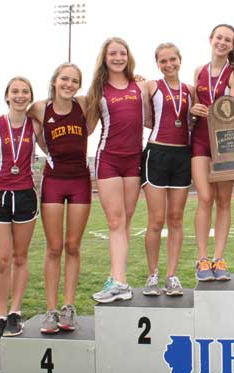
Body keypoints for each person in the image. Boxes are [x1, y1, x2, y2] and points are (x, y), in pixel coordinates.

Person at [86, 37, 151, 303]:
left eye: (122, 53)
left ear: (128, 56)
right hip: (109, 160)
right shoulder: (97, 90)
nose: (117, 57)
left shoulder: (141, 86)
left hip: (134, 160)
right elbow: (87, 128)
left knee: (124, 223)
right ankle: (120, 282)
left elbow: (151, 120)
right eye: (112, 53)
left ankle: (117, 279)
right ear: (104, 57)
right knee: (115, 221)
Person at [29, 63, 92, 332]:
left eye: (74, 80)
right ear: (54, 81)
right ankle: (51, 310)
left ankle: (68, 307)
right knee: (54, 247)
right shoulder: (41, 108)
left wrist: (134, 79)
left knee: (73, 246)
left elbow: (108, 90)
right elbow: (17, 110)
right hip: (54, 181)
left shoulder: (84, 104)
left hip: (80, 181)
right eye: (64, 79)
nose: (69, 84)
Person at [0, 77, 41, 343]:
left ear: (30, 97)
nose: (19, 95)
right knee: (2, 259)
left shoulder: (35, 125)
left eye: (24, 91)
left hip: (26, 195)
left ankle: (16, 311)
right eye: (14, 91)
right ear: (6, 96)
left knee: (20, 257)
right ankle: (1, 315)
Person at [190, 24, 234, 281]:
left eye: (228, 40)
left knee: (224, 201)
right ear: (210, 39)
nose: (222, 42)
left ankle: (219, 258)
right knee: (204, 197)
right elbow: (192, 103)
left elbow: (233, 108)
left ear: (233, 46)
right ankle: (202, 259)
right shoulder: (198, 71)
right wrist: (195, 109)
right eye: (219, 37)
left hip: (224, 142)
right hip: (201, 139)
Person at [141, 43, 193, 296]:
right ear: (157, 64)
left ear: (180, 60)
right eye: (163, 61)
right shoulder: (150, 86)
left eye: (173, 59)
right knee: (156, 220)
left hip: (183, 154)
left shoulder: (191, 90)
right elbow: (145, 117)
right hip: (157, 153)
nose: (169, 64)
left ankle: (172, 276)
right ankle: (153, 275)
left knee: (175, 218)